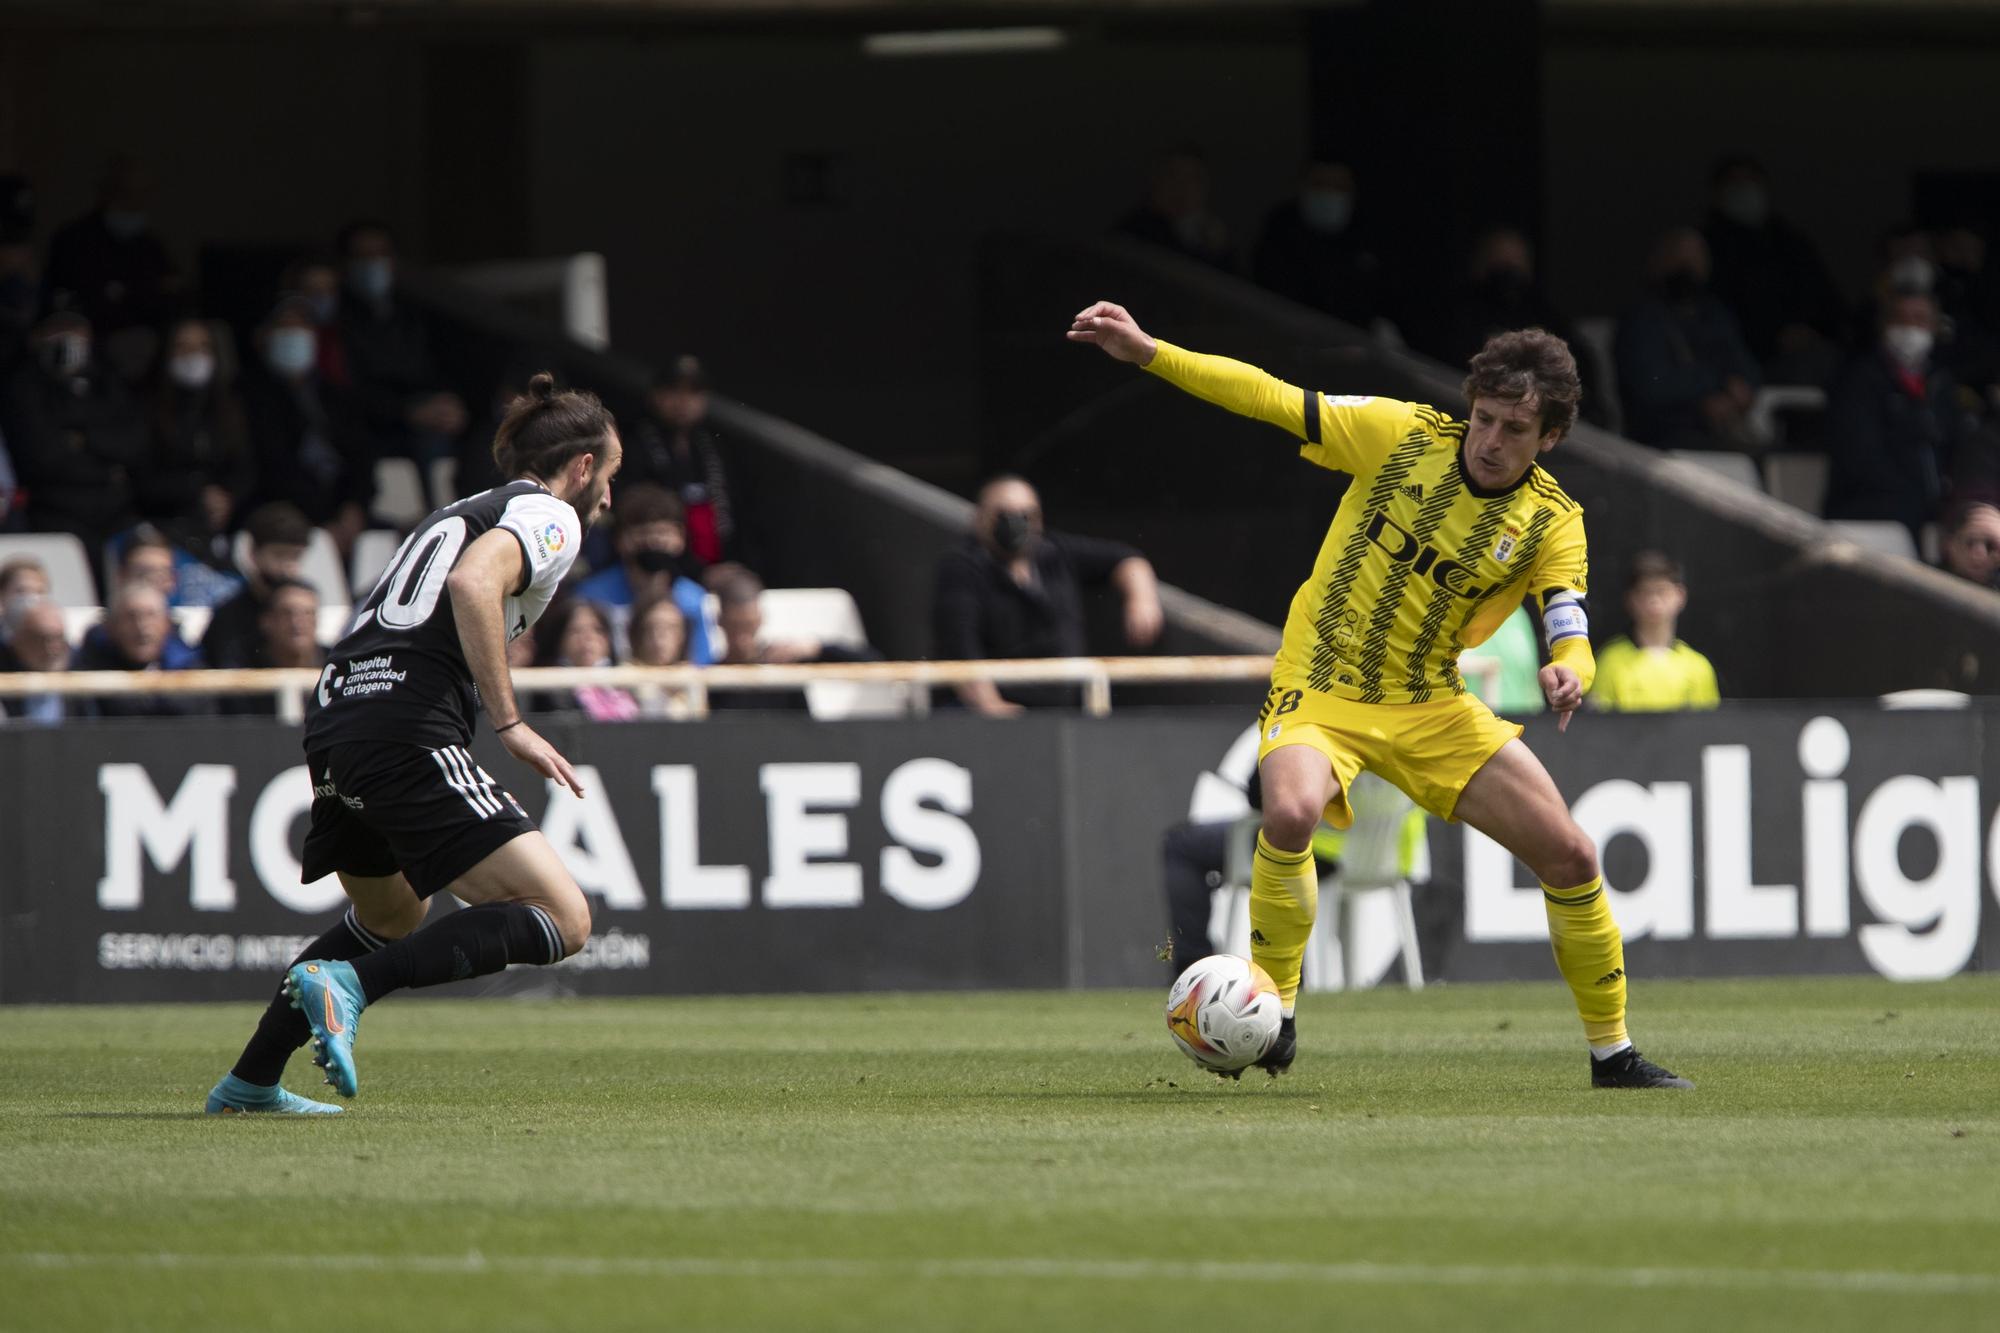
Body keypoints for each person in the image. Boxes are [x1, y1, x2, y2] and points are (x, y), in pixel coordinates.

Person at [1069, 298, 1691, 1090]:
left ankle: (1614, 1055)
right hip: (1320, 684)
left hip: (1429, 702)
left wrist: (1574, 666)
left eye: (1514, 429)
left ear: (1552, 438)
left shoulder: (1551, 521)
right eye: (1484, 419)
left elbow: (1567, 614)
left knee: (1572, 855)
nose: (1492, 441)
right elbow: (1266, 395)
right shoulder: (1399, 435)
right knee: (1289, 810)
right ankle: (1276, 1013)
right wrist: (1151, 351)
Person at [204, 372, 620, 1115]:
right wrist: (511, 723)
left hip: (338, 720)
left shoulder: (462, 509)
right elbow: (471, 585)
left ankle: (250, 1081)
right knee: (565, 917)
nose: (610, 498)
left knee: (391, 915)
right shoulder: (551, 514)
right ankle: (353, 987)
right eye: (611, 476)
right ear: (583, 466)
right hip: (403, 726)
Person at [930, 475, 1163, 716]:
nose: (1014, 524)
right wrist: (990, 705)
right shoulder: (961, 567)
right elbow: (960, 649)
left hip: (1063, 710)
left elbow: (1126, 559)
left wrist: (1142, 600)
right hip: (993, 714)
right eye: (1003, 515)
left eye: (1025, 515)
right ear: (979, 518)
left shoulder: (1056, 552)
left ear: (1038, 519)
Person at [1, 306, 148, 570]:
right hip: (54, 512)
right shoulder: (24, 386)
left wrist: (84, 438)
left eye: (75, 330)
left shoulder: (107, 381)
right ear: (38, 337)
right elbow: (42, 455)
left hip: (114, 510)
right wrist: (102, 451)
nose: (68, 338)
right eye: (58, 330)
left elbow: (133, 445)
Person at [1823, 289, 1965, 541]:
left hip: (1931, 512)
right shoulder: (1858, 380)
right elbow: (1861, 459)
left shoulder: (1941, 383)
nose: (1910, 328)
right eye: (1900, 319)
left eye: (1919, 319)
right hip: (1870, 509)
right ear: (1884, 325)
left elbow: (1956, 447)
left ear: (1934, 327)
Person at [240, 296, 373, 555]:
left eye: (302, 328)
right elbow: (272, 463)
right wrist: (324, 521)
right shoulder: (250, 396)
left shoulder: (334, 395)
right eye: (285, 328)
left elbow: (361, 454)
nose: (295, 336)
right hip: (282, 509)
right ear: (264, 337)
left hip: (343, 509)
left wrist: (354, 506)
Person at [333, 219, 469, 465]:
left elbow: (441, 365)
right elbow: (348, 391)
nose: (373, 264)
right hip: (375, 425)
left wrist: (449, 402)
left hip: (425, 411)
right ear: (345, 264)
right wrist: (406, 412)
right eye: (363, 256)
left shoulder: (413, 313)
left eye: (380, 254)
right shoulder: (338, 319)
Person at [1700, 155, 1845, 383]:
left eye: (1751, 181)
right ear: (1717, 193)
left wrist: (1811, 331)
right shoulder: (1707, 249)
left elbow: (1828, 302)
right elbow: (1715, 314)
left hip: (1812, 352)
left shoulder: (1792, 244)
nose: (1744, 189)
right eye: (1734, 183)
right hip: (1747, 364)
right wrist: (1773, 337)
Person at [1614, 228, 1761, 451]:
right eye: (1680, 257)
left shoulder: (1714, 314)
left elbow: (1746, 370)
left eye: (1696, 258)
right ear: (1660, 261)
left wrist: (1733, 394)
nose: (1688, 266)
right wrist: (1712, 390)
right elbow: (1652, 386)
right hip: (1664, 437)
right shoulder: (1642, 317)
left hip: (1722, 431)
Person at [134, 316, 255, 558]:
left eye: (202, 347)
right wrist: (196, 492)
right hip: (164, 527)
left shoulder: (230, 409)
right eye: (183, 347)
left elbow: (246, 467)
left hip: (225, 527)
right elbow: (141, 477)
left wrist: (228, 497)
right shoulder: (146, 409)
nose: (193, 355)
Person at [622, 356, 746, 567]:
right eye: (674, 390)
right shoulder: (635, 445)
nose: (683, 401)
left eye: (693, 392)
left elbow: (736, 513)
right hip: (660, 566)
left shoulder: (714, 447)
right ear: (656, 395)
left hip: (719, 563)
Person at [571, 482, 715, 663]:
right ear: (620, 540)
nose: (653, 542)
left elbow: (702, 665)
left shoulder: (695, 599)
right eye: (643, 534)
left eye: (662, 533)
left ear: (680, 538)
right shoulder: (590, 597)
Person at [1252, 159, 1391, 332]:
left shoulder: (1365, 234)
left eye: (1338, 187)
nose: (1329, 194)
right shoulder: (1281, 228)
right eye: (1320, 185)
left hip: (1354, 346)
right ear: (1303, 186)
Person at [1589, 552, 1720, 712]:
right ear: (1631, 599)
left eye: (1661, 591)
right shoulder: (1609, 661)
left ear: (1680, 595)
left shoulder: (1698, 667)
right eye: (1645, 592)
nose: (1654, 600)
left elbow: (1710, 731)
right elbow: (1596, 728)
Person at [199, 501, 311, 669]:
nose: (287, 569)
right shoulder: (228, 619)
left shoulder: (305, 608)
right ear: (253, 552)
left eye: (295, 557)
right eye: (279, 555)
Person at [72, 582, 210, 717]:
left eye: (151, 615)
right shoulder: (88, 671)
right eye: (131, 616)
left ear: (167, 623)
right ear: (111, 626)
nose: (142, 626)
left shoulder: (190, 666)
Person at [1114, 147, 1233, 271]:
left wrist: (1219, 252)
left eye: (1192, 179)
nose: (1182, 187)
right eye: (1173, 175)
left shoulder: (1214, 241)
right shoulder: (1133, 233)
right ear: (1157, 181)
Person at [220, 577, 326, 716]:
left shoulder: (338, 664)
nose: (298, 623)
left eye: (308, 613)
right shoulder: (242, 672)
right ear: (266, 621)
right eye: (287, 613)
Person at [529, 597, 638, 722]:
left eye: (597, 630)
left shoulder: (627, 683)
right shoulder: (550, 691)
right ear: (559, 640)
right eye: (575, 631)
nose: (588, 637)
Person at [0, 597, 90, 722]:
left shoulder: (82, 668)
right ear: (16, 639)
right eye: (43, 639)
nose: (54, 648)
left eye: (59, 637)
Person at [1937, 498, 2000, 590]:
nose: (1979, 555)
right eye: (1970, 543)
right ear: (1949, 545)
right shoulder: (1921, 582)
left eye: (1990, 546)